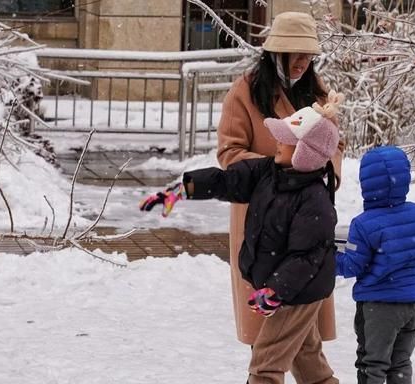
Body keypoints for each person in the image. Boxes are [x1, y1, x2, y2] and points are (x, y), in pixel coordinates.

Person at [140, 93, 344, 384]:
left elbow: (306, 258)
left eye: (286, 139)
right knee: (308, 362)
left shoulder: (314, 201)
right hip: (284, 288)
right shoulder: (268, 173)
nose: (277, 141)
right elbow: (226, 180)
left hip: (298, 292)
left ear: (304, 152)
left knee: (265, 365)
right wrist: (181, 190)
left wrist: (275, 290)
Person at [216, 11, 344, 348]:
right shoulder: (244, 92)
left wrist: (324, 168)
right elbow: (230, 153)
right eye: (296, 55)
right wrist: (280, 168)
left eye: (308, 56)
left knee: (305, 331)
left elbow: (335, 143)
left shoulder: (316, 91)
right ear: (277, 53)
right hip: (263, 216)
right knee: (269, 335)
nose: (303, 63)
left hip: (306, 214)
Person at [336, 146, 415, 384]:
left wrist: (329, 257)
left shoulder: (363, 224)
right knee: (400, 364)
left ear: (366, 184)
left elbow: (352, 265)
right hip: (411, 306)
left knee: (373, 366)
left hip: (379, 309)